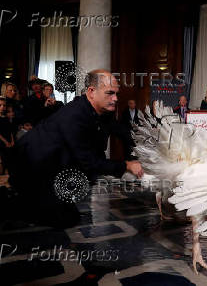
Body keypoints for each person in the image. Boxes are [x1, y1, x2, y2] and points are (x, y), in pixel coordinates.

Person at [8, 69, 143, 228]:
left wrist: (144, 148)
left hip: (53, 164)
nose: (115, 98)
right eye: (110, 93)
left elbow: (122, 132)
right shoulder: (75, 115)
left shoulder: (102, 111)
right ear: (91, 92)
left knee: (69, 211)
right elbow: (89, 161)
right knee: (65, 219)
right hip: (29, 168)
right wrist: (126, 165)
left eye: (116, 93)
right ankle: (10, 201)